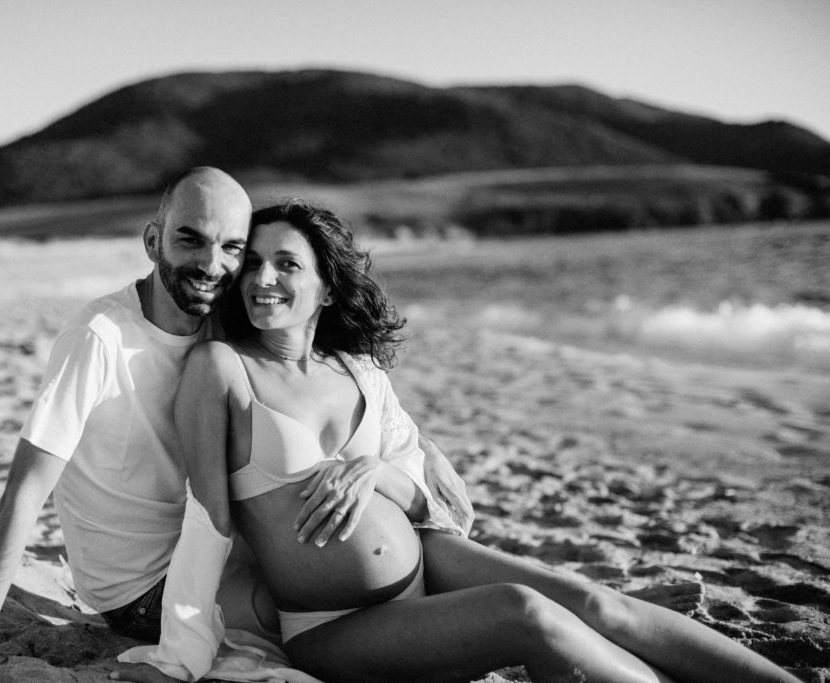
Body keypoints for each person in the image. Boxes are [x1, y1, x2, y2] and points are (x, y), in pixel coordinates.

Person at [156, 199, 800, 682]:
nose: (262, 277)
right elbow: (207, 519)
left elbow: (425, 502)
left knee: (596, 603)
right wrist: (181, 649)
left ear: (326, 287)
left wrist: (374, 471)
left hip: (430, 560)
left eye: (286, 264)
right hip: (334, 623)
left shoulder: (357, 369)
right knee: (525, 614)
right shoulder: (221, 368)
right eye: (252, 262)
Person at [0, 168, 472, 683]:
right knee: (356, 606)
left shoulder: (220, 316)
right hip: (149, 589)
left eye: (232, 248)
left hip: (226, 555)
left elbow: (325, 370)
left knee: (419, 566)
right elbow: (23, 493)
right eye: (190, 239)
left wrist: (422, 444)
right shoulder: (101, 338)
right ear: (153, 241)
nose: (211, 264)